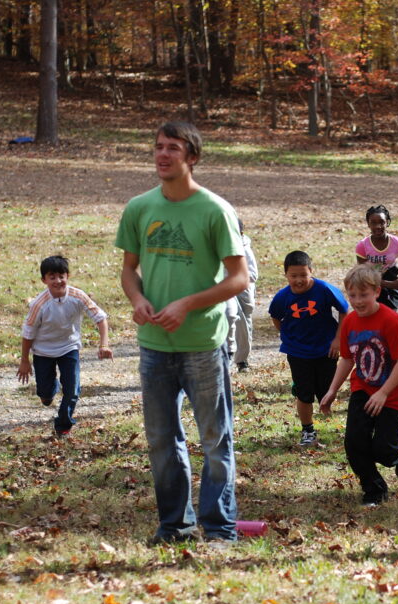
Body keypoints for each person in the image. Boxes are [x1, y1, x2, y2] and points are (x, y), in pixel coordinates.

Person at [116, 121, 249, 545]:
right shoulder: (140, 207)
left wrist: (187, 304)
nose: (163, 154)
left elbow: (239, 278)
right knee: (161, 441)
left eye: (173, 148)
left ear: (192, 157)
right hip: (154, 346)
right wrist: (138, 299)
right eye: (158, 146)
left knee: (214, 440)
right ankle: (175, 526)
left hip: (203, 345)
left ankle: (220, 529)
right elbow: (129, 270)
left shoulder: (214, 210)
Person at [320, 264, 398, 507]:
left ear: (376, 292)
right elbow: (347, 359)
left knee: (386, 453)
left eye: (363, 295)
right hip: (363, 389)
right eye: (352, 295)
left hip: (394, 394)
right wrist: (332, 390)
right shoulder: (350, 322)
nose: (357, 301)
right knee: (355, 443)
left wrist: (383, 393)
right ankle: (374, 489)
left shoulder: (391, 321)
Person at [17, 255, 112, 438]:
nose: (58, 281)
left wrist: (104, 344)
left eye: (61, 276)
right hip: (43, 351)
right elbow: (28, 333)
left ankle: (63, 425)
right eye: (52, 277)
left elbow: (100, 318)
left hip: (69, 347)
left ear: (68, 276)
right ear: (44, 280)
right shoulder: (39, 304)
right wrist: (24, 360)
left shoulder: (78, 296)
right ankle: (48, 392)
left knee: (73, 389)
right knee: (45, 393)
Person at [268, 250, 349, 448]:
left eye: (303, 275)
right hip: (297, 351)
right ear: (286, 275)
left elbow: (344, 310)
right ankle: (308, 431)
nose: (298, 280)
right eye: (293, 275)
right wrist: (288, 336)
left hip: (326, 349)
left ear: (311, 271)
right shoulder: (282, 297)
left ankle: (333, 419)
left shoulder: (324, 289)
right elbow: (275, 317)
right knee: (304, 394)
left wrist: (338, 339)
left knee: (326, 391)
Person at [226, 221, 258, 372]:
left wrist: (237, 278)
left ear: (241, 234)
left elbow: (253, 274)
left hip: (243, 291)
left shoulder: (245, 248)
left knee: (244, 325)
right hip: (224, 290)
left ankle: (242, 360)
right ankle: (226, 358)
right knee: (230, 319)